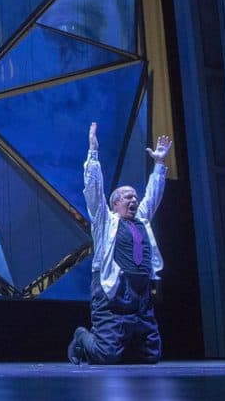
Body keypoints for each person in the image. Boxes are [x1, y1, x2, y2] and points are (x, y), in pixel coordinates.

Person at [67, 121, 172, 365]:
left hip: (141, 290)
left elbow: (154, 194)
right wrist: (93, 152)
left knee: (150, 356)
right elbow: (94, 191)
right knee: (106, 355)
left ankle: (126, 345)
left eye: (135, 196)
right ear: (115, 203)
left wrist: (159, 163)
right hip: (113, 289)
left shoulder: (142, 219)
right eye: (128, 197)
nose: (134, 199)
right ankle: (82, 337)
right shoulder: (105, 221)